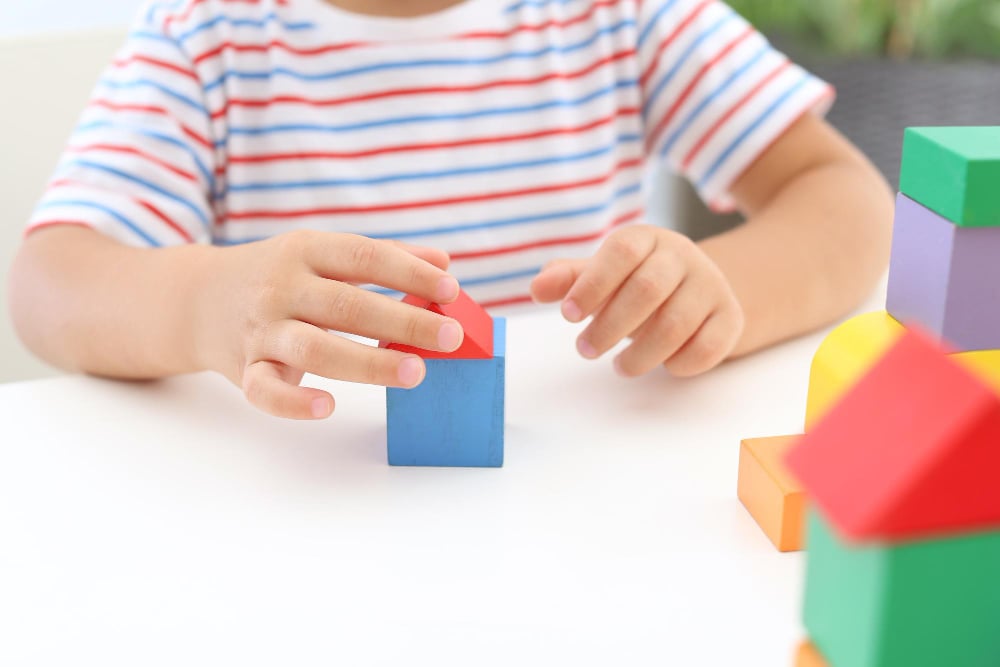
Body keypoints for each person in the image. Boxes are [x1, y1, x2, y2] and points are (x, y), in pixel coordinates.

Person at [8, 0, 893, 420]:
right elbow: (52, 282)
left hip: (575, 509)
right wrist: (208, 304)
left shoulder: (627, 14)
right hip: (304, 520)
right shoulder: (206, 36)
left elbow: (845, 199)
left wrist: (712, 294)